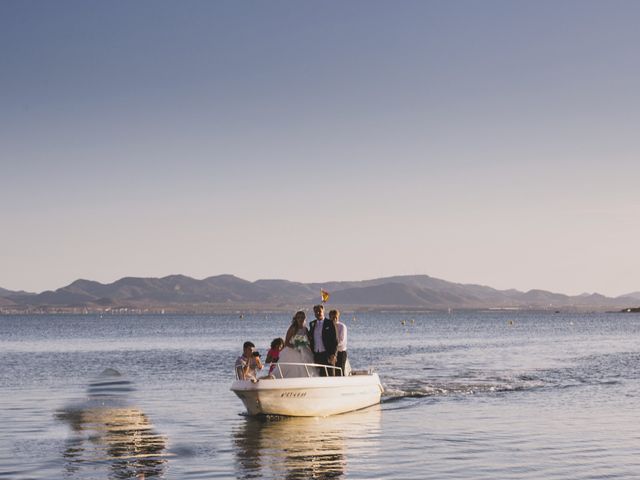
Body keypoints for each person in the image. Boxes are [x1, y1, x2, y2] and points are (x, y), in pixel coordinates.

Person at [277, 311, 316, 378]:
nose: (300, 319)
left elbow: (308, 341)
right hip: (292, 350)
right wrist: (296, 347)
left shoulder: (305, 329)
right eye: (298, 317)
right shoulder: (293, 328)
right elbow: (286, 342)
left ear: (305, 318)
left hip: (304, 350)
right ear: (296, 319)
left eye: (302, 317)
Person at [308, 304, 338, 377]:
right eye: (316, 312)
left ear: (323, 311)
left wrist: (333, 354)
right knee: (319, 376)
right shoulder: (312, 324)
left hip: (327, 354)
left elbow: (335, 340)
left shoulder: (330, 323)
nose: (318, 313)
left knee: (330, 375)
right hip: (316, 354)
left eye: (319, 311)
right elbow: (310, 337)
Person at [329, 309, 349, 376]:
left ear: (338, 317)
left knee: (340, 371)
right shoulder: (329, 327)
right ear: (330, 317)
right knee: (332, 371)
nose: (334, 319)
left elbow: (341, 340)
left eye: (336, 317)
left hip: (341, 352)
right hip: (332, 353)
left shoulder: (342, 326)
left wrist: (333, 347)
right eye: (332, 317)